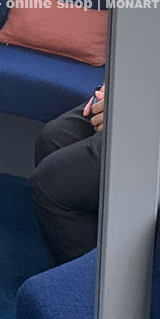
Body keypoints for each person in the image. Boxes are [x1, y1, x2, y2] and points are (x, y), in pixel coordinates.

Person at [30, 85, 105, 266]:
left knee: (51, 184)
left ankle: (89, 281)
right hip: (138, 95)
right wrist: (110, 89)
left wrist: (131, 110)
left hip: (158, 121)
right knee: (52, 139)